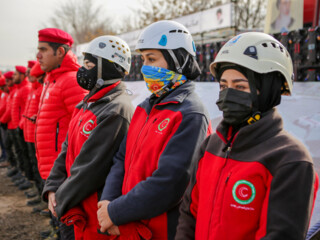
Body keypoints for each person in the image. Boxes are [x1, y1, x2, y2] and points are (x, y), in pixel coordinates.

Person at [175, 32, 319, 240]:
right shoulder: (211, 145)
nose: (227, 94)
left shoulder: (291, 159)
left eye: (240, 86)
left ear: (268, 89)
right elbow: (189, 214)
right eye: (224, 86)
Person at [97, 20, 211, 239]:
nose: (145, 67)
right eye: (143, 59)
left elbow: (171, 182)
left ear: (177, 60)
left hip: (160, 231)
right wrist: (109, 203)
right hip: (129, 225)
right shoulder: (144, 108)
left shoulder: (190, 113)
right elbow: (121, 159)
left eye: (152, 58)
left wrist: (116, 212)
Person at [42, 35, 134, 239]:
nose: (83, 70)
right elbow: (65, 150)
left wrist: (61, 200)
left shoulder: (115, 110)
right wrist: (52, 188)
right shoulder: (88, 102)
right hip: (74, 205)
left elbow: (90, 167)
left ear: (107, 68)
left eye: (89, 64)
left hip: (92, 212)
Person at [35, 28, 88, 239]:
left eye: (43, 49)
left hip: (65, 175)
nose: (38, 55)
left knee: (70, 228)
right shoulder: (51, 79)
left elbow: (85, 130)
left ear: (60, 52)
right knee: (59, 222)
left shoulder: (72, 81)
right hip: (51, 171)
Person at [22, 61, 45, 205]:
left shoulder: (41, 89)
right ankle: (38, 192)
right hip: (30, 133)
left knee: (40, 169)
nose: (28, 75)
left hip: (40, 136)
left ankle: (44, 200)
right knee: (34, 166)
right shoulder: (33, 90)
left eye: (30, 72)